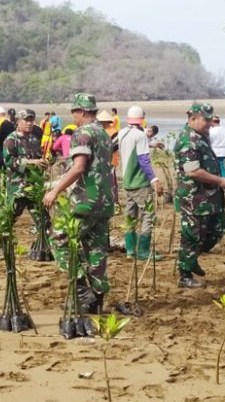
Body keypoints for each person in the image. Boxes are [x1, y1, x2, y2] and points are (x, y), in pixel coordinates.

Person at [43, 93, 115, 314]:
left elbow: (79, 167)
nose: (73, 116)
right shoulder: (104, 133)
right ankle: (97, 296)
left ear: (82, 112)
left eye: (74, 112)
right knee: (97, 249)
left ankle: (83, 289)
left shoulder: (82, 133)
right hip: (104, 201)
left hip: (86, 200)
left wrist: (55, 190)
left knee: (60, 240)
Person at [173, 104, 225, 288]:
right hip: (194, 198)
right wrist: (220, 181)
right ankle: (185, 275)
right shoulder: (187, 140)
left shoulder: (201, 137)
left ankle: (191, 259)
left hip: (208, 197)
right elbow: (193, 171)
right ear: (192, 119)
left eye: (210, 120)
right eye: (206, 120)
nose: (210, 123)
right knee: (192, 236)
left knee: (219, 226)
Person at [117, 106, 164, 260]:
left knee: (130, 216)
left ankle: (131, 251)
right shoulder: (141, 135)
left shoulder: (122, 132)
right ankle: (143, 251)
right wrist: (154, 179)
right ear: (142, 118)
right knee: (147, 215)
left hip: (127, 183)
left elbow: (112, 147)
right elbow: (144, 160)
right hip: (140, 183)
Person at [3, 109, 46, 221]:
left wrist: (43, 163)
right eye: (26, 120)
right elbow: (9, 161)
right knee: (9, 220)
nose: (29, 123)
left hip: (33, 187)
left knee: (43, 221)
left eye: (31, 120)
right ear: (18, 121)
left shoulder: (34, 139)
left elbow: (37, 159)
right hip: (17, 188)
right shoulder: (11, 139)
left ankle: (44, 238)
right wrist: (29, 162)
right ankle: (4, 238)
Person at [97, 110, 120, 212]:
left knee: (112, 182)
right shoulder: (100, 131)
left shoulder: (113, 132)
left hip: (111, 160)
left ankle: (114, 202)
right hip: (102, 161)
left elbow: (114, 147)